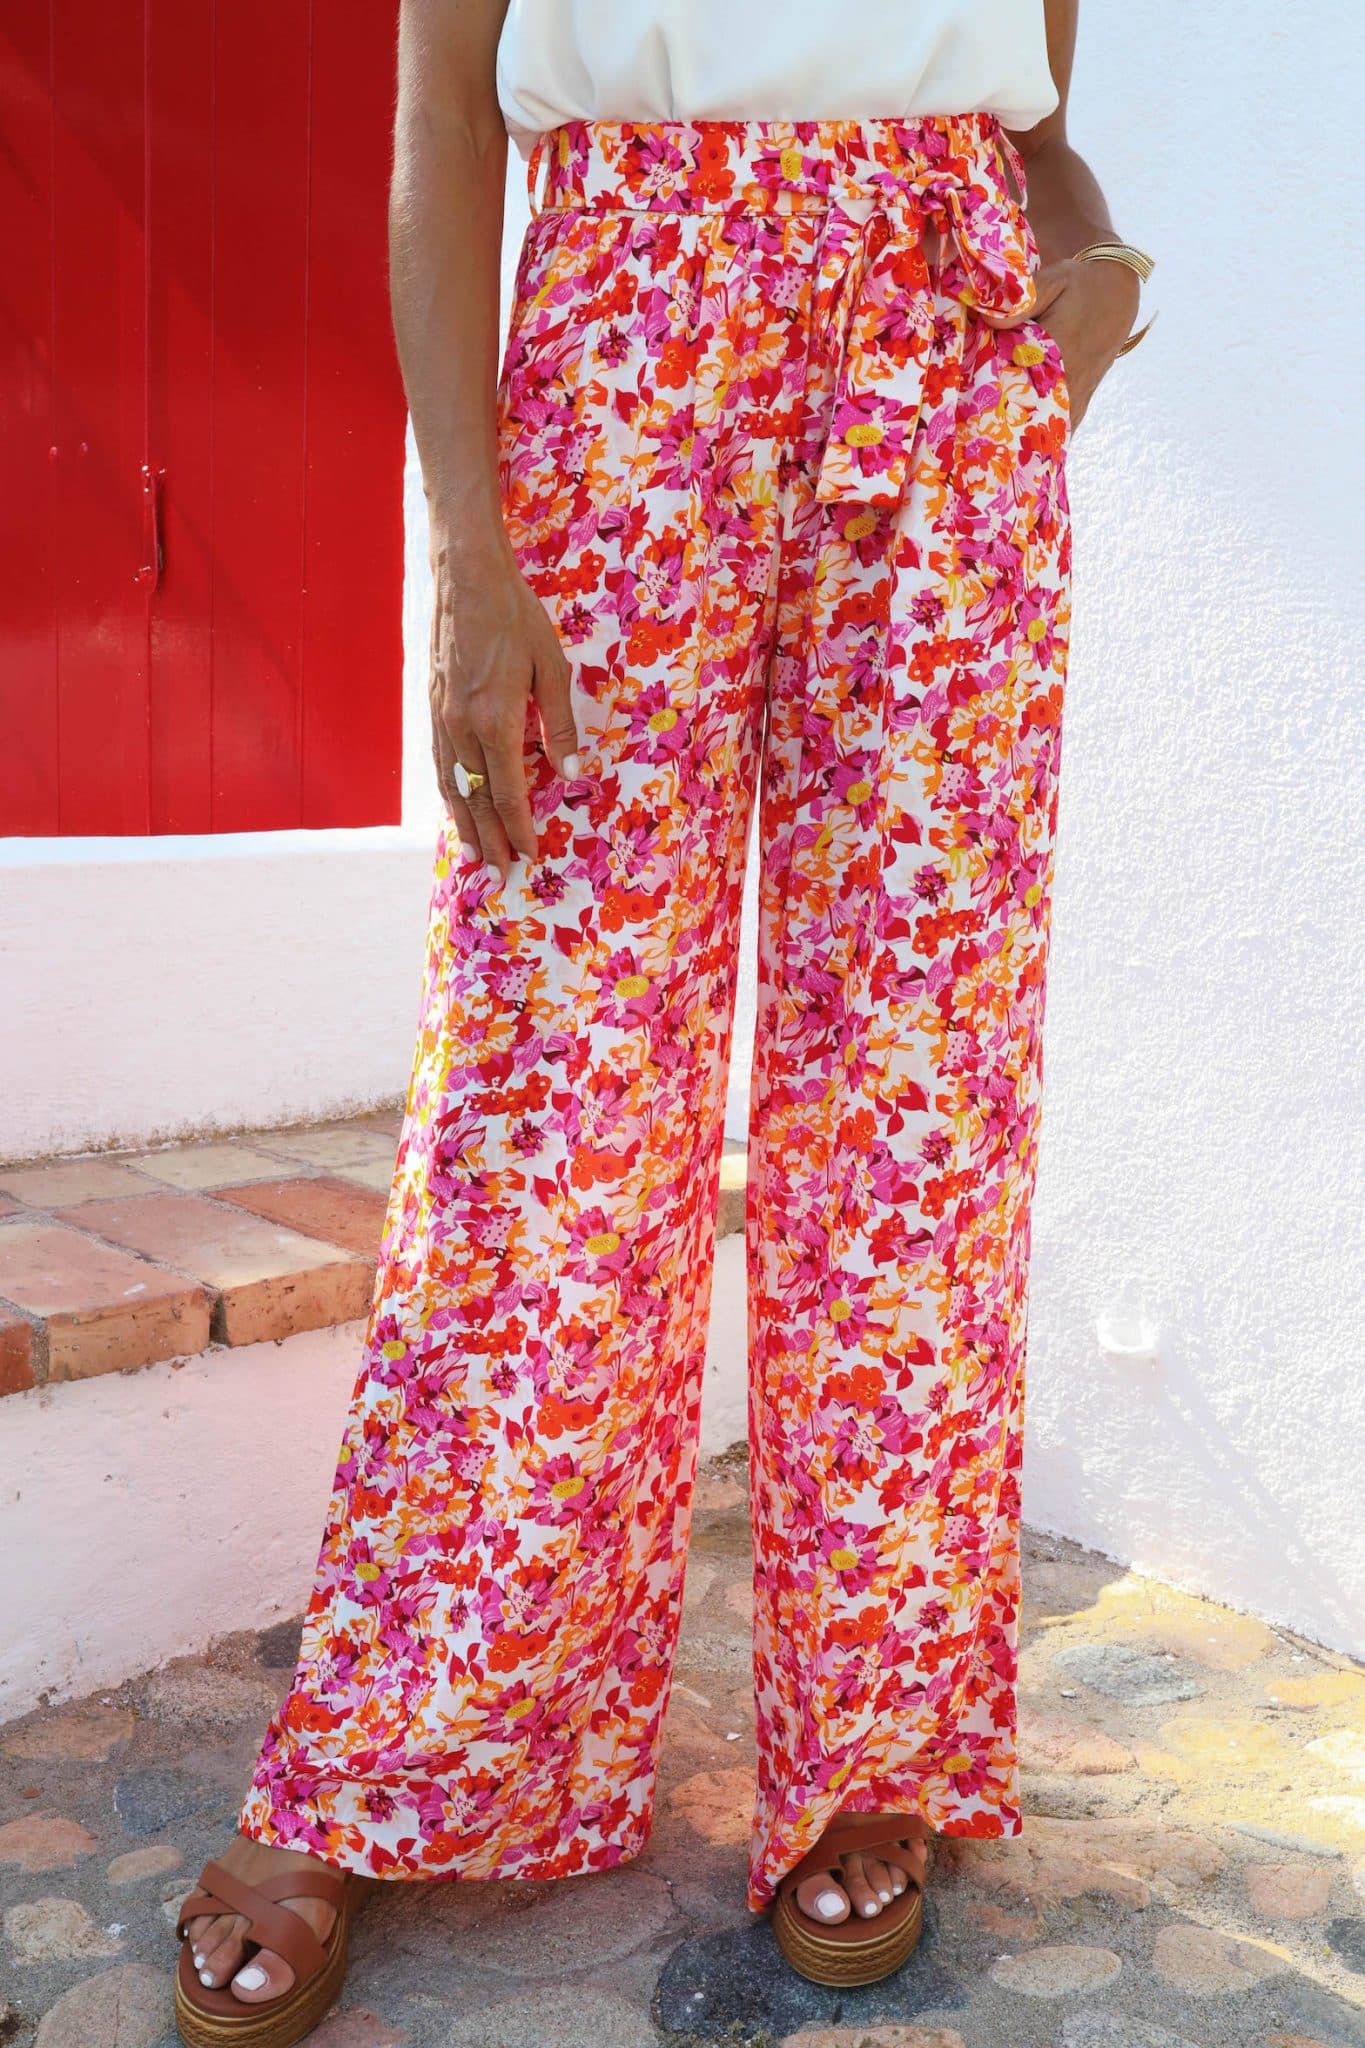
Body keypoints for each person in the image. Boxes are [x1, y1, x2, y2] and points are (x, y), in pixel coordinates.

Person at [171, 0, 1154, 2038]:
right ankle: (412, 1741)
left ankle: (874, 1735)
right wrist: (468, 554)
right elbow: (447, 119)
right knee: (551, 1093)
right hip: (628, 339)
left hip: (945, 367)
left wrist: (1084, 250)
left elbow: (1031, 106)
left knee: (915, 1103)